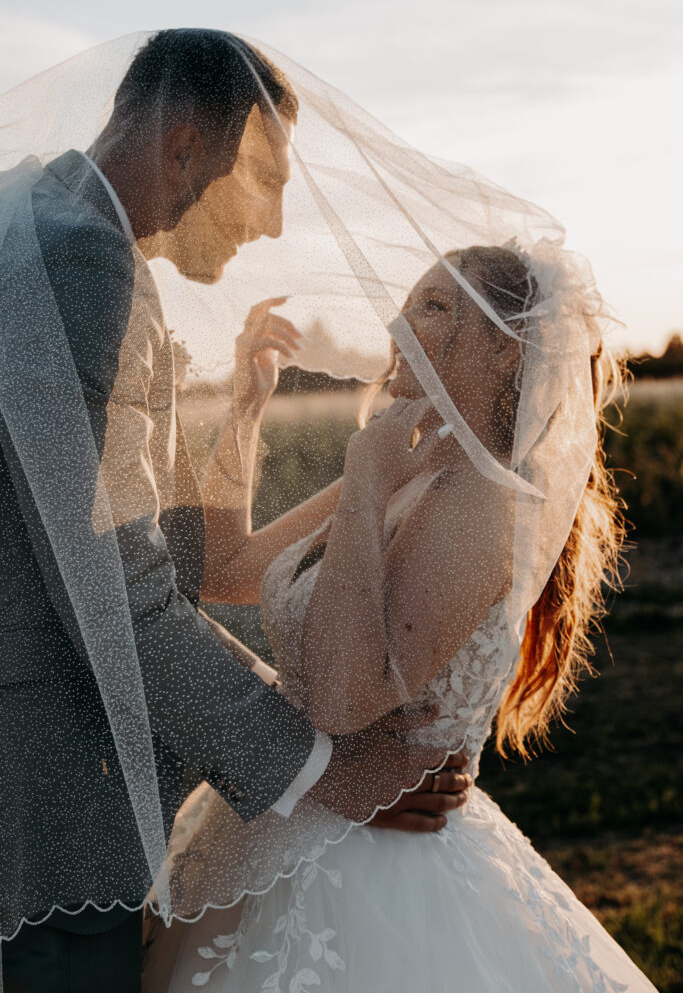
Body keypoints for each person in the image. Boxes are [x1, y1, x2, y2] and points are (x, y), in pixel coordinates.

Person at [0, 30, 469, 992]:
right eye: (265, 180)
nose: (273, 221)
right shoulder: (84, 267)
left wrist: (246, 410)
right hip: (43, 823)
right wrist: (325, 771)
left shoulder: (40, 219)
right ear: (183, 147)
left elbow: (185, 562)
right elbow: (121, 598)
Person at [151, 246, 658, 991]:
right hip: (276, 831)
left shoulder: (486, 502)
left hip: (373, 873)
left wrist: (361, 481)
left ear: (504, 348)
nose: (397, 321)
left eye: (434, 306)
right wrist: (246, 407)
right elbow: (224, 568)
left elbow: (342, 700)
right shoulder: (415, 466)